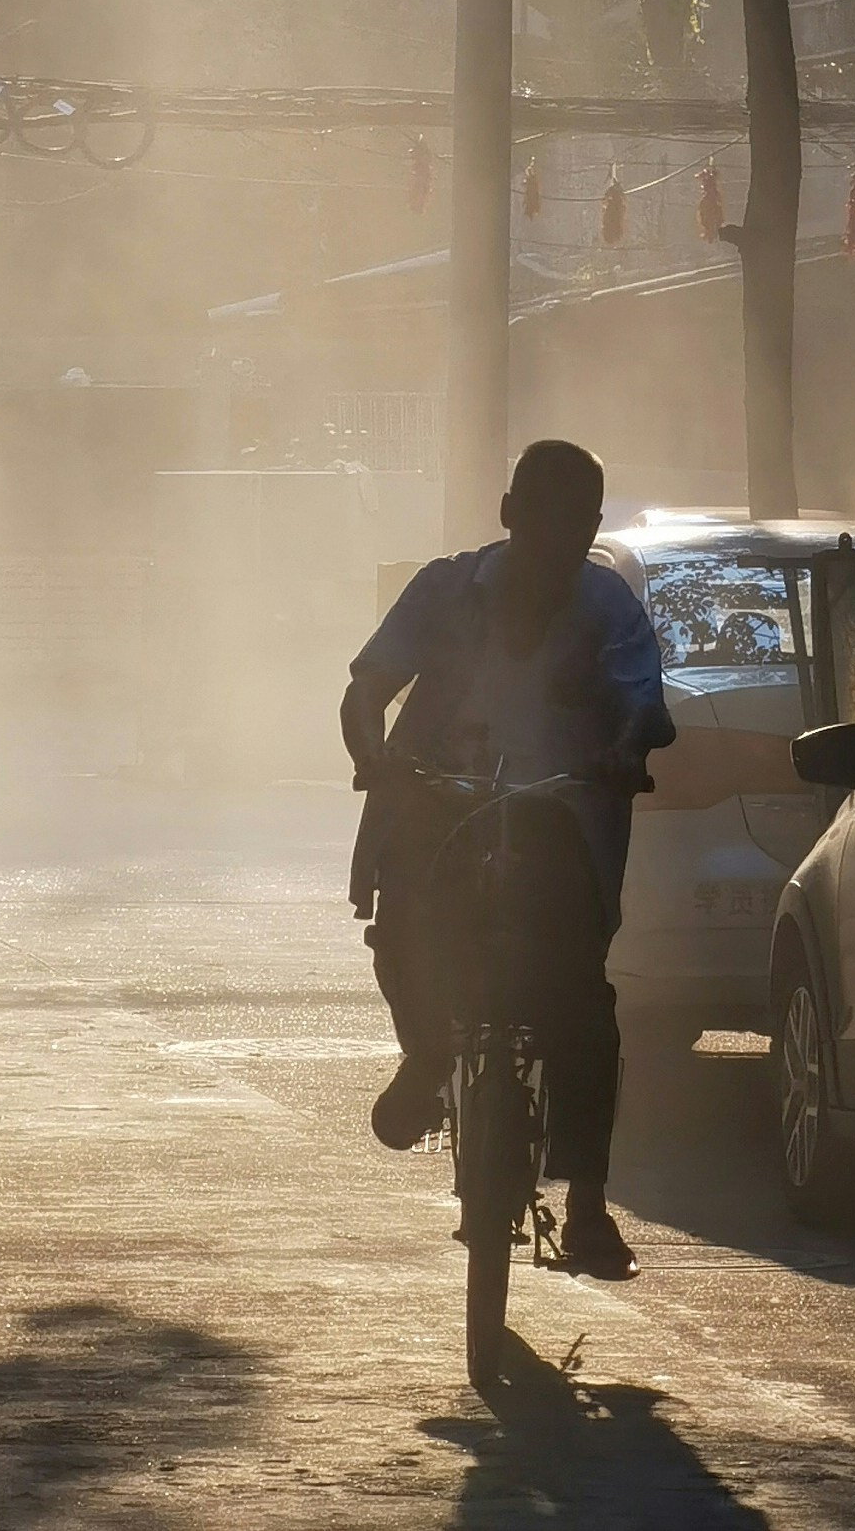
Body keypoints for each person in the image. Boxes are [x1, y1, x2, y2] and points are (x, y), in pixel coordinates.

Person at [341, 437, 672, 1282]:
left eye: (576, 527)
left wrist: (625, 753)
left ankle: (590, 1207)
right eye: (542, 521)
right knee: (403, 940)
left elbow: (644, 709)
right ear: (510, 515)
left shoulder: (608, 608)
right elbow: (367, 686)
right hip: (435, 807)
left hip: (559, 822)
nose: (556, 544)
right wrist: (371, 754)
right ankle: (426, 1055)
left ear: (592, 529)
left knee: (582, 1011)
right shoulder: (444, 590)